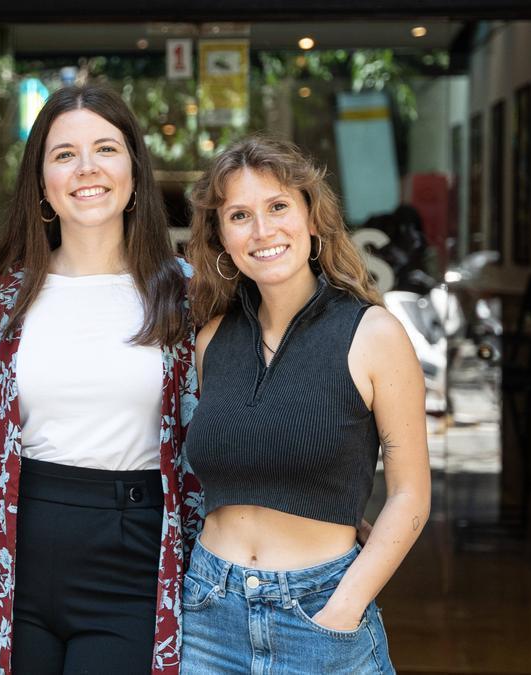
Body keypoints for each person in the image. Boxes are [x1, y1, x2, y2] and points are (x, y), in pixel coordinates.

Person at [0, 85, 203, 675]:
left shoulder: (187, 296)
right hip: (9, 547)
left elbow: (229, 422)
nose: (87, 168)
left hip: (133, 553)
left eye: (106, 148)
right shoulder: (1, 298)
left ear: (134, 169)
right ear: (42, 184)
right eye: (64, 154)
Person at [180, 136, 431, 673]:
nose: (262, 231)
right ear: (221, 237)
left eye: (278, 207)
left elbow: (411, 495)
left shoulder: (373, 333)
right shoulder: (210, 341)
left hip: (321, 611)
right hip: (206, 615)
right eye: (240, 215)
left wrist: (344, 607)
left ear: (312, 220)